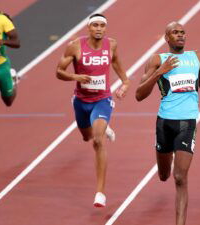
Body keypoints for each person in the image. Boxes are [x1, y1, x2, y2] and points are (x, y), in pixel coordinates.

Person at [135, 22, 200, 225]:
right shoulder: (158, 60)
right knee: (164, 175)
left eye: (183, 32)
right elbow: (139, 94)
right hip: (164, 123)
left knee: (179, 178)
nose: (180, 35)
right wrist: (160, 71)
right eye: (175, 32)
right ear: (167, 38)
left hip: (187, 122)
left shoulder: (196, 57)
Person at [56, 13, 130, 207]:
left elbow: (115, 62)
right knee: (86, 136)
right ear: (88, 28)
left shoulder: (111, 44)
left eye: (102, 26)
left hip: (102, 100)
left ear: (105, 28)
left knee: (97, 141)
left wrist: (125, 81)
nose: (98, 29)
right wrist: (76, 78)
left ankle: (100, 193)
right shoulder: (75, 46)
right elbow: (59, 71)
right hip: (81, 101)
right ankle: (103, 127)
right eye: (95, 25)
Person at [0, 11, 20, 106]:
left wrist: (3, 42)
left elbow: (17, 42)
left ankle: (13, 80)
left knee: (8, 101)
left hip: (1, 68)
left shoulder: (2, 19)